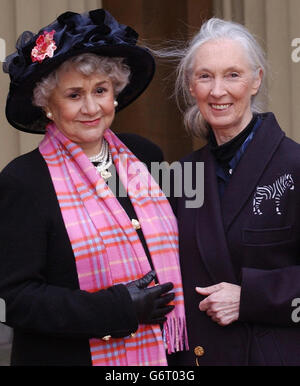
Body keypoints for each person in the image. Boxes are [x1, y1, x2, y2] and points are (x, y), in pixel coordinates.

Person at [0, 9, 188, 366]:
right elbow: (14, 299)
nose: (90, 107)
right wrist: (117, 308)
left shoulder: (146, 157)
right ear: (48, 105)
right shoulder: (22, 181)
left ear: (114, 93)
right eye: (74, 95)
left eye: (100, 90)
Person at [165, 18, 300, 366]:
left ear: (256, 80)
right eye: (205, 76)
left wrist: (252, 297)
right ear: (191, 85)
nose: (217, 90)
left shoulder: (295, 165)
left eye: (232, 75)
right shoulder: (181, 175)